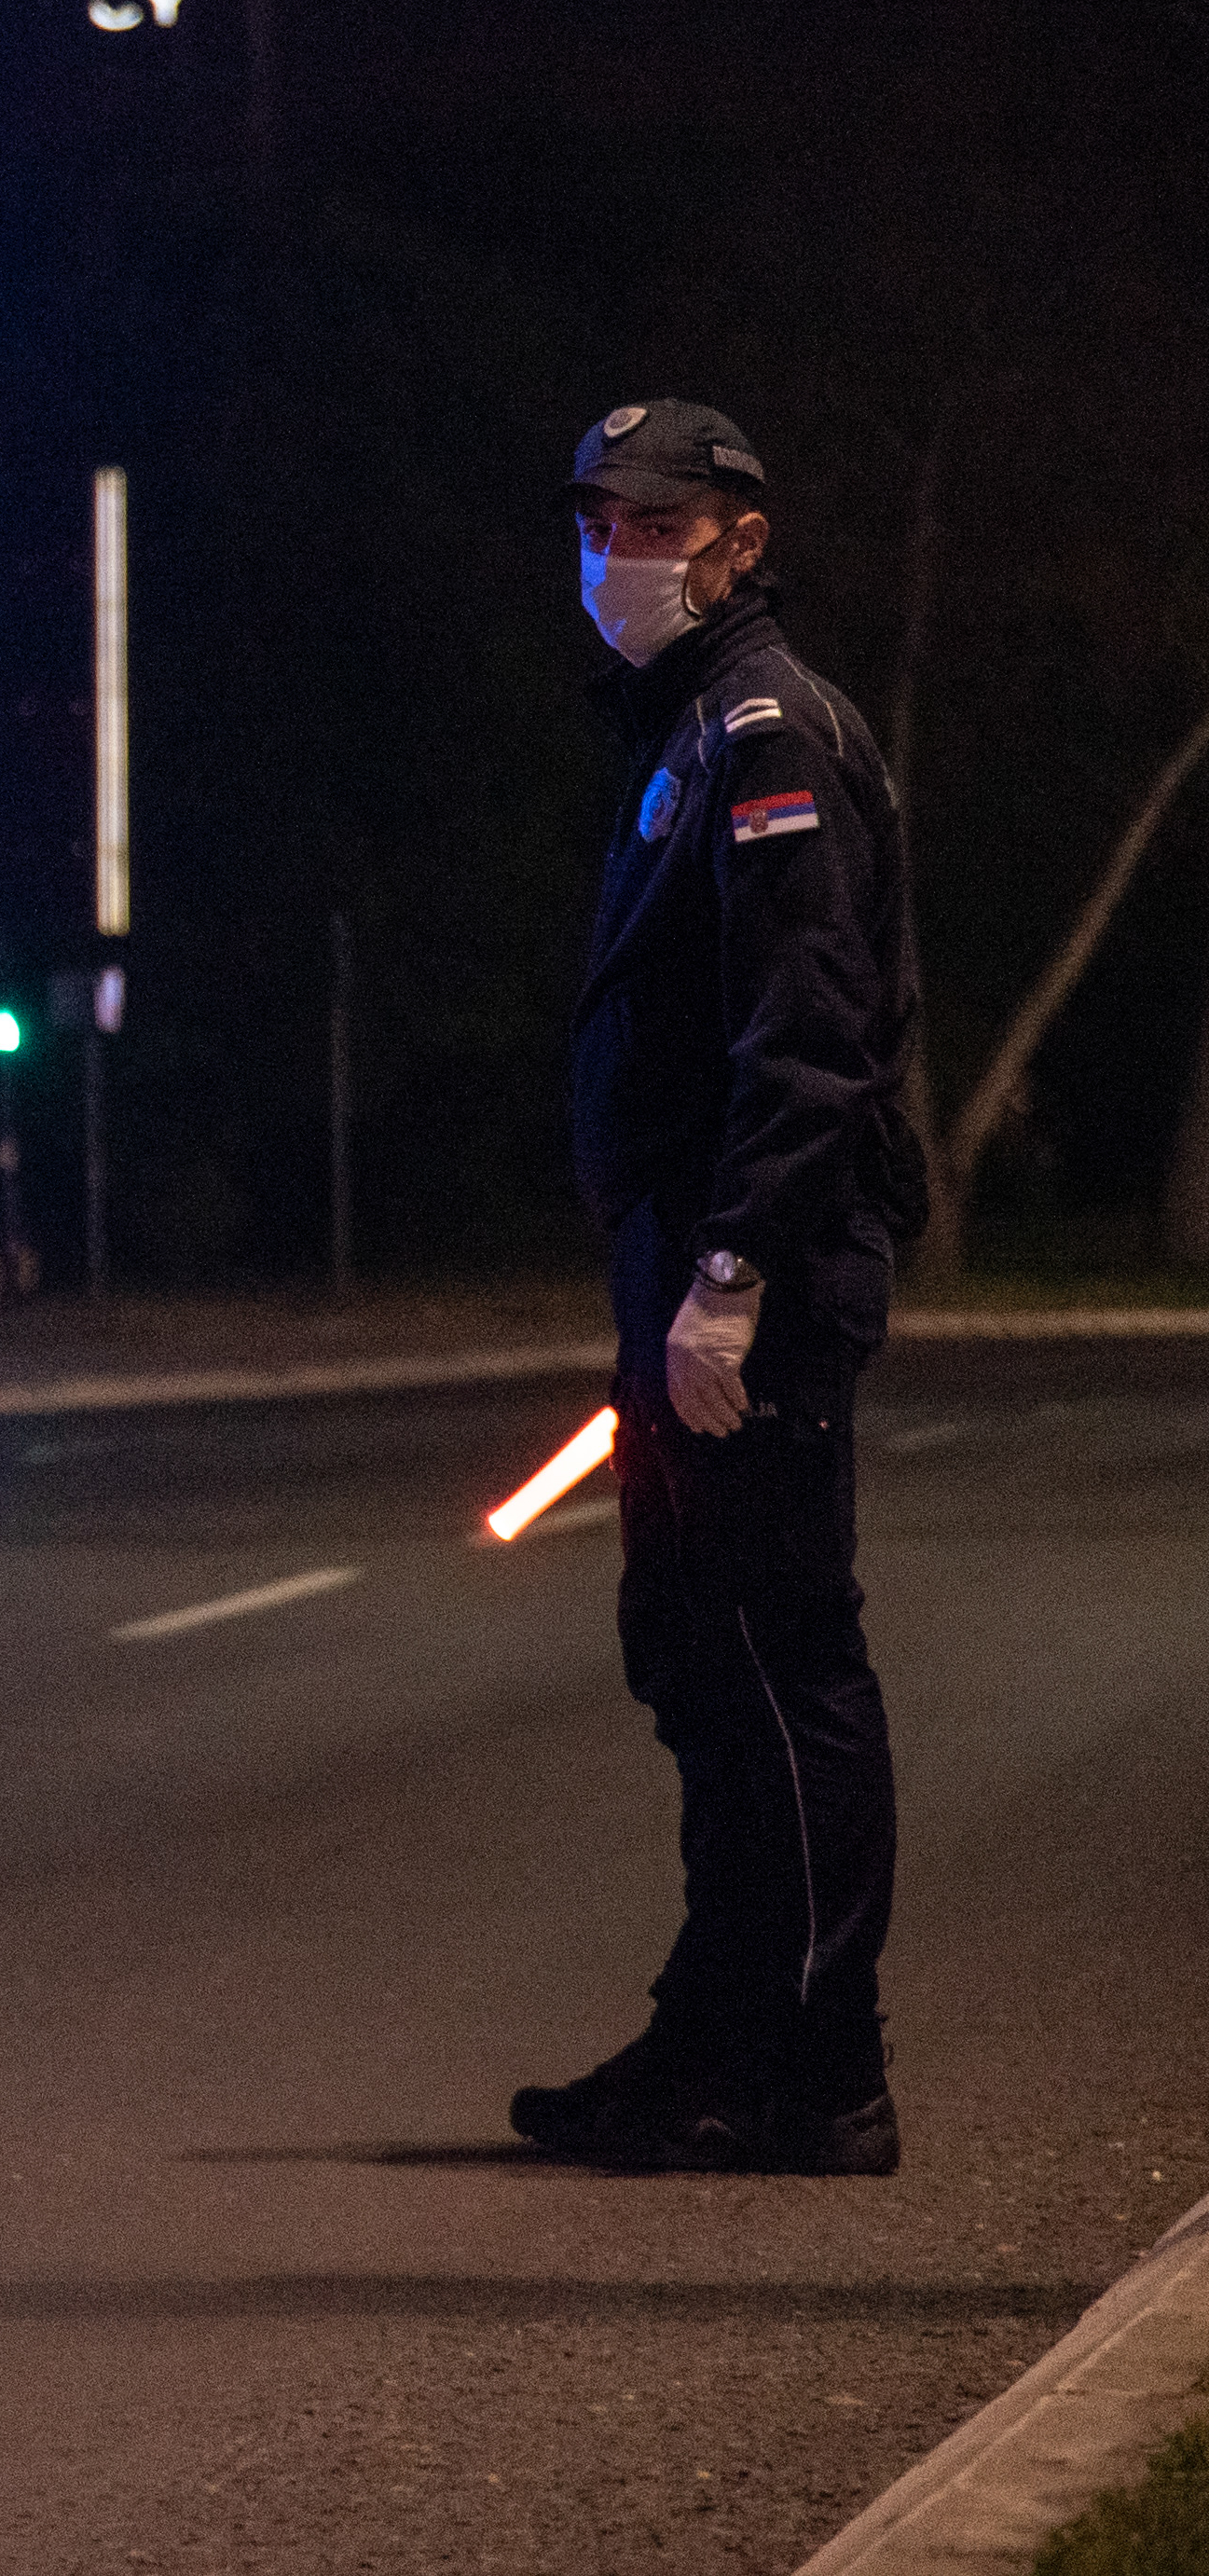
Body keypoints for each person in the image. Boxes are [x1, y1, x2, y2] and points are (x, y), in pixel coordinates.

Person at [512, 398, 922, 2177]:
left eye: (655, 523)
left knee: (778, 1660)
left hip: (745, 1282)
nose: (618, 552)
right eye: (600, 518)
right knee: (698, 1661)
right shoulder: (684, 723)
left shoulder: (767, 733)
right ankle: (715, 2031)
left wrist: (738, 1272)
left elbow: (808, 1033)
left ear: (740, 539)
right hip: (681, 1272)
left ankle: (821, 2067)